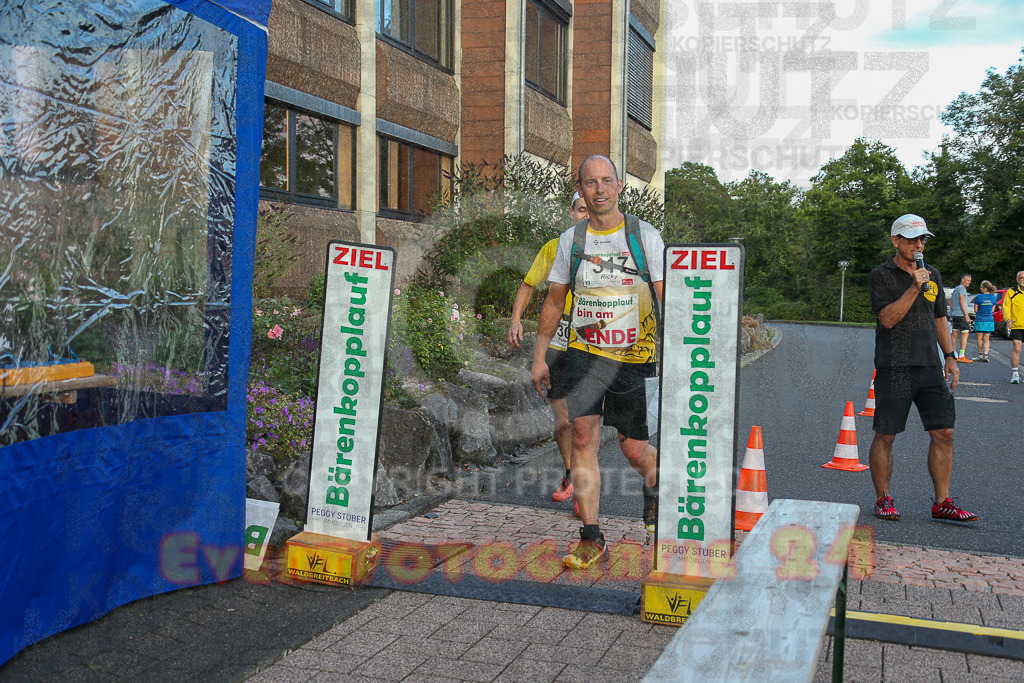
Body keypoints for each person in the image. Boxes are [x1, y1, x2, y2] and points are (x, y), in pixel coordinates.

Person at [531, 155, 664, 569]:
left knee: (636, 450)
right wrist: (539, 358)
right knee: (583, 438)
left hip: (632, 357)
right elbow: (554, 300)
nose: (600, 190)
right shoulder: (571, 241)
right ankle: (591, 535)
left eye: (607, 181)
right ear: (581, 190)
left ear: (620, 186)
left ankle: (657, 490)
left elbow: (666, 295)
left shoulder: (645, 237)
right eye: (591, 183)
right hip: (583, 356)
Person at [867, 214, 978, 523]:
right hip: (895, 366)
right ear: (896, 241)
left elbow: (940, 319)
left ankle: (942, 502)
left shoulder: (933, 274)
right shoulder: (882, 275)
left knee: (944, 432)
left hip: (930, 363)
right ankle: (883, 498)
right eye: (913, 239)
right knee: (886, 435)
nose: (919, 245)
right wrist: (915, 287)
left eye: (922, 239)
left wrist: (951, 356)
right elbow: (888, 319)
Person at [507, 192, 589, 502]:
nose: (585, 215)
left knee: (585, 422)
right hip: (557, 342)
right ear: (571, 213)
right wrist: (515, 319)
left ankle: (585, 488)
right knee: (564, 422)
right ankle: (571, 474)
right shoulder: (555, 248)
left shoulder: (610, 250)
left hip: (593, 345)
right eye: (580, 209)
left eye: (590, 210)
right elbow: (528, 284)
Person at [1004, 271, 1024, 384]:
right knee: (1017, 348)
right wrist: (1008, 319)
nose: (1023, 279)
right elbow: (1006, 306)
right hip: (1017, 324)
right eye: (1021, 278)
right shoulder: (1011, 292)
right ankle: (1015, 374)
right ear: (1017, 280)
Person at [972, 280, 998, 362]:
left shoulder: (979, 297)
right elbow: (992, 310)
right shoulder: (994, 297)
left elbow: (975, 310)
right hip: (989, 320)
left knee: (979, 339)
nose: (980, 288)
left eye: (981, 287)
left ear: (985, 288)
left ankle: (980, 355)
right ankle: (986, 355)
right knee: (987, 339)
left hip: (980, 319)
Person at [950, 273, 973, 362]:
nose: (969, 282)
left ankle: (953, 354)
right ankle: (961, 355)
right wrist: (966, 314)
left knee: (955, 334)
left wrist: (953, 311)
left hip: (955, 314)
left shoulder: (956, 289)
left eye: (970, 281)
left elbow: (951, 302)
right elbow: (962, 301)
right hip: (961, 315)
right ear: (963, 280)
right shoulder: (962, 289)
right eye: (967, 280)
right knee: (965, 334)